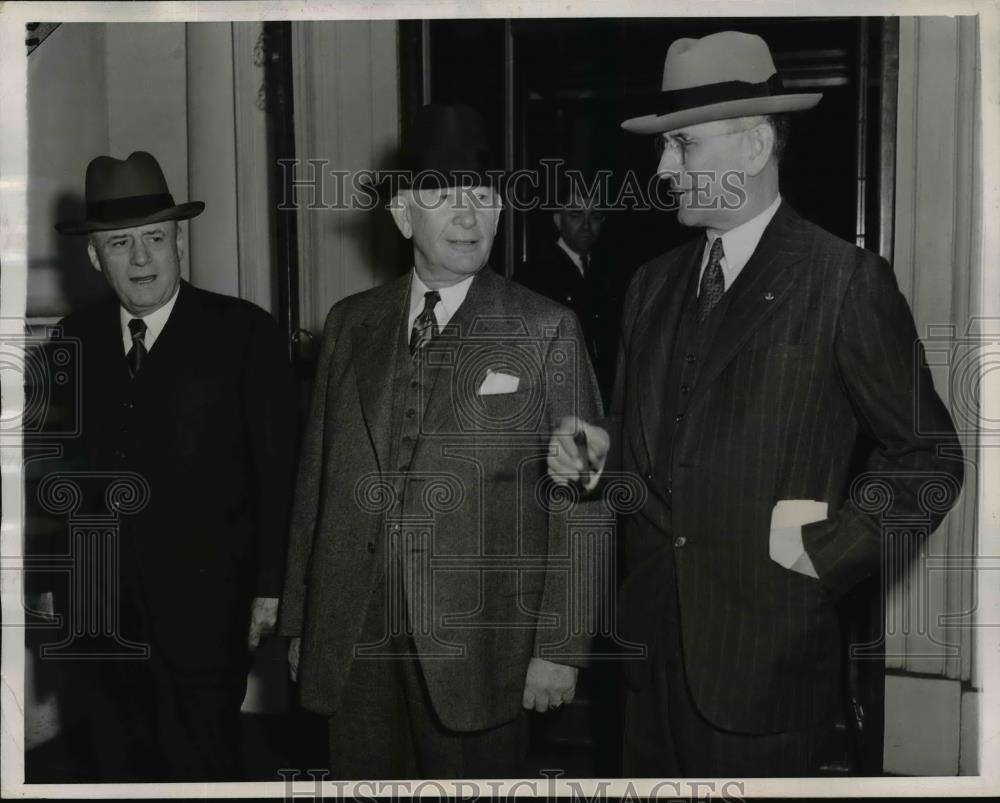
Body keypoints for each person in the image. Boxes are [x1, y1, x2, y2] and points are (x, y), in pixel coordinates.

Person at [547, 31, 963, 777]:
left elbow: (930, 458)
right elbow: (664, 444)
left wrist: (828, 548)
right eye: (665, 148)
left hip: (766, 668)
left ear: (754, 145)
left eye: (684, 146)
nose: (663, 168)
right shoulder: (650, 284)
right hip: (647, 660)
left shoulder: (843, 281)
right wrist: (603, 451)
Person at [279, 104, 603, 779]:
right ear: (402, 216)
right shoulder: (349, 325)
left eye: (483, 197)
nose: (467, 215)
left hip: (481, 652)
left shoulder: (546, 331)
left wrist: (561, 647)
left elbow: (583, 504)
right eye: (443, 196)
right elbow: (315, 481)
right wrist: (300, 621)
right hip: (353, 640)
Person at [48, 151, 298, 781]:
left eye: (155, 239)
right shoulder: (73, 340)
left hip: (208, 614)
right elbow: (65, 475)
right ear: (93, 256)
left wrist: (272, 589)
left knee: (200, 766)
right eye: (120, 243)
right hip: (101, 616)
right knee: (112, 768)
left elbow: (279, 473)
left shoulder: (243, 334)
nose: (140, 260)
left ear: (179, 240)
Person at [515, 184, 622, 404]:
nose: (586, 226)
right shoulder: (533, 276)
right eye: (575, 215)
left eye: (595, 216)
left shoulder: (613, 276)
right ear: (558, 220)